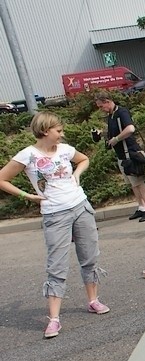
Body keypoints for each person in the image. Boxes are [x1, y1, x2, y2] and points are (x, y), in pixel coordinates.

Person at [0, 112, 110, 338]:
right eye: (58, 131)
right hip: (54, 214)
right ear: (44, 131)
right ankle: (54, 319)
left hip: (81, 207)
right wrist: (27, 196)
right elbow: (2, 178)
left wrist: (78, 174)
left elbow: (84, 159)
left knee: (89, 257)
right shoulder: (28, 155)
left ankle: (93, 300)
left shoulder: (65, 150)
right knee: (57, 266)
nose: (62, 134)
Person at [95, 93, 145, 222]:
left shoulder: (121, 112)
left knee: (138, 182)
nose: (101, 109)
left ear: (107, 101)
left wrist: (116, 139)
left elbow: (130, 128)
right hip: (121, 154)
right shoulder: (111, 116)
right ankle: (142, 207)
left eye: (101, 106)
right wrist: (103, 135)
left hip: (130, 153)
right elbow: (115, 133)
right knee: (133, 184)